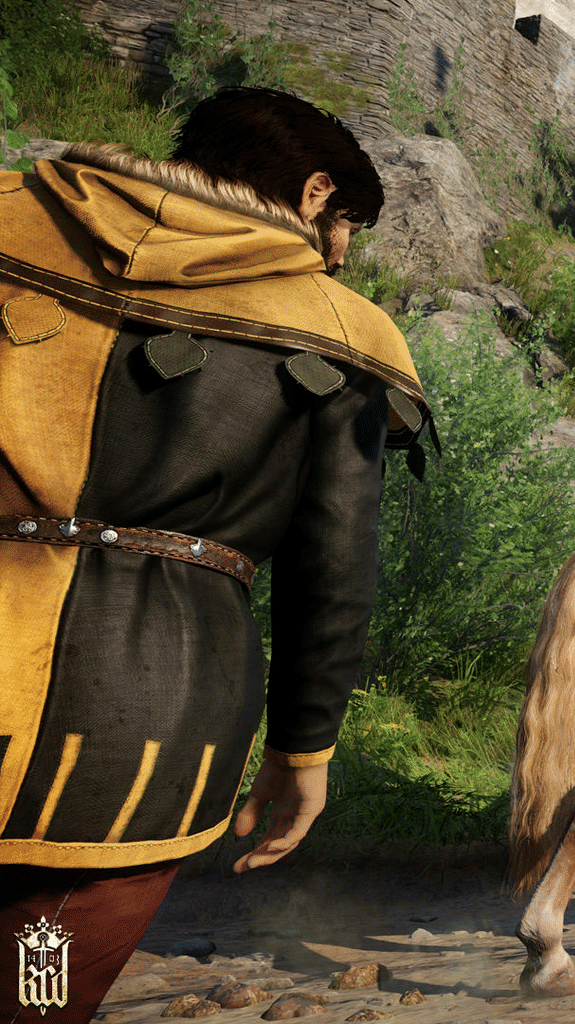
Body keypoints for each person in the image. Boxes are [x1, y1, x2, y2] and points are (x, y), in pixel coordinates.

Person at [0, 88, 428, 1023]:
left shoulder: (9, 218)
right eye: (348, 225)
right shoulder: (341, 331)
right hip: (136, 733)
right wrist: (303, 748)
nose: (345, 254)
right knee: (37, 993)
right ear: (314, 195)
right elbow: (331, 569)